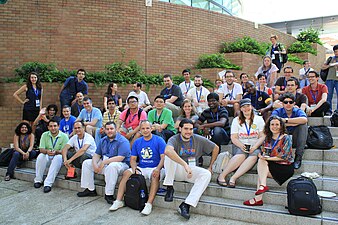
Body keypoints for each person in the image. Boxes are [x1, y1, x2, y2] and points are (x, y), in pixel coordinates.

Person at [163, 119, 219, 219]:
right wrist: (185, 165)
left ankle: (186, 205)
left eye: (191, 129)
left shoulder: (197, 139)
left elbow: (216, 148)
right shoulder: (174, 139)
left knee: (207, 174)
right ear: (180, 129)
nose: (189, 131)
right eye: (186, 129)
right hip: (176, 171)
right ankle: (169, 187)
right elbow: (167, 151)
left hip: (191, 171)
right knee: (169, 155)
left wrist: (210, 166)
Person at [109, 120, 166, 215]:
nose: (145, 130)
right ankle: (118, 201)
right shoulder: (137, 142)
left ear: (151, 129)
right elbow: (133, 159)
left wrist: (158, 168)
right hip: (141, 167)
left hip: (156, 167)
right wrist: (134, 169)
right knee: (127, 173)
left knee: (155, 175)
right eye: (142, 128)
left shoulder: (159, 140)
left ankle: (148, 204)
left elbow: (163, 158)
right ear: (140, 130)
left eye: (147, 128)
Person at [243, 116, 294, 206]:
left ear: (281, 126)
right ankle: (262, 187)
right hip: (271, 164)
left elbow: (284, 157)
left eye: (277, 124)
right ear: (269, 126)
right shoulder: (267, 138)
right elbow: (264, 153)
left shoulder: (286, 138)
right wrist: (261, 155)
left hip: (284, 167)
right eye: (272, 124)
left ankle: (259, 196)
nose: (274, 126)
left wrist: (266, 158)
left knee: (261, 166)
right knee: (261, 162)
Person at [77, 122, 130, 205]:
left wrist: (104, 162)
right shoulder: (103, 140)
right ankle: (90, 189)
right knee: (87, 163)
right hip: (105, 163)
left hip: (121, 164)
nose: (109, 131)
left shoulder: (123, 141)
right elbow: (97, 154)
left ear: (116, 129)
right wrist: (94, 164)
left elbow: (121, 157)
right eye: (107, 129)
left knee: (112, 166)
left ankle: (109, 194)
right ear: (104, 130)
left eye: (111, 129)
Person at [217, 99, 265, 188]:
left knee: (254, 155)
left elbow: (262, 136)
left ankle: (233, 178)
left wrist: (255, 147)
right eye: (243, 107)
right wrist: (241, 146)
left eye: (248, 106)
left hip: (255, 146)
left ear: (251, 107)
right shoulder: (236, 120)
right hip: (240, 144)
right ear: (241, 109)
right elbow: (233, 137)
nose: (246, 108)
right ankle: (222, 176)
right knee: (241, 155)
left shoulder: (259, 119)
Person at [271, 93, 308, 169]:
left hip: (295, 138)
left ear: (294, 103)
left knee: (303, 126)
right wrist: (294, 123)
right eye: (285, 102)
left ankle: (298, 156)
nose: (288, 104)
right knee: (275, 125)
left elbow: (304, 120)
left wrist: (285, 121)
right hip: (281, 139)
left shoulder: (297, 111)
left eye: (290, 102)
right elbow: (273, 121)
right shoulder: (278, 111)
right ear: (282, 104)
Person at [33, 119, 69, 193]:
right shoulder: (44, 134)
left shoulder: (64, 136)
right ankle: (38, 180)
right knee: (40, 156)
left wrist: (56, 152)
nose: (53, 128)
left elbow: (65, 151)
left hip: (59, 157)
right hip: (48, 155)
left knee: (58, 157)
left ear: (59, 126)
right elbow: (41, 148)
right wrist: (47, 151)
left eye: (55, 126)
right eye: (51, 126)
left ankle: (48, 184)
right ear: (48, 127)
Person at [321, 44, 338, 114]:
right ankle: (328, 110)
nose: (336, 53)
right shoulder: (330, 58)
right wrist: (331, 65)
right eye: (335, 52)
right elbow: (323, 67)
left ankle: (337, 111)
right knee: (328, 96)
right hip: (329, 79)